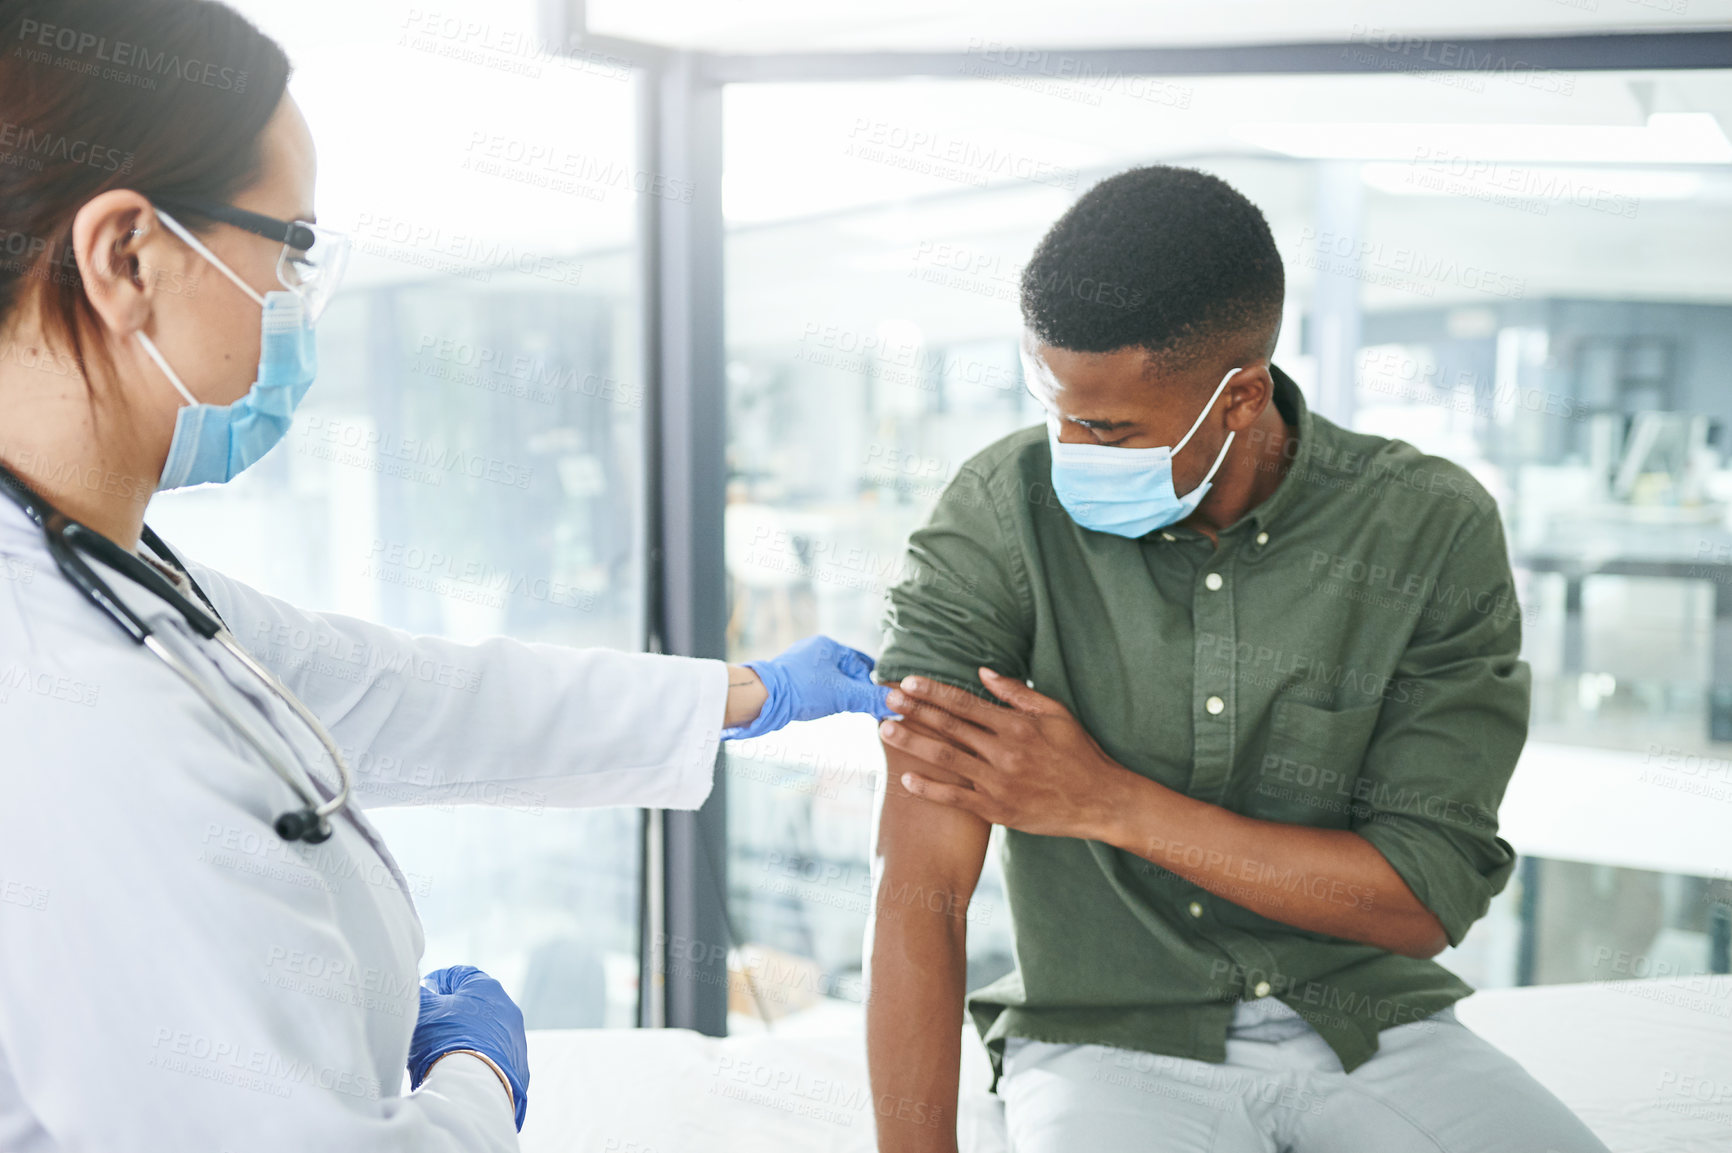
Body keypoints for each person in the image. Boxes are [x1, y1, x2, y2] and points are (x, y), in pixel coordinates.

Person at [0, 2, 890, 1149]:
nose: (294, 297)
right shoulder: (76, 712)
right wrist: (476, 1077)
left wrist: (742, 693)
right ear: (128, 257)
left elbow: (393, 690)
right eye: (292, 245)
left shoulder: (101, 579)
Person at [865, 166, 1611, 1152]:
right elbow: (920, 887)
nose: (1066, 447)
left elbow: (1422, 895)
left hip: (1370, 1026)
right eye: (1055, 406)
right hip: (1108, 1042)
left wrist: (1108, 803)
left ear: (1239, 397)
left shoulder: (1426, 526)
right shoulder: (1003, 513)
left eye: (1108, 428)